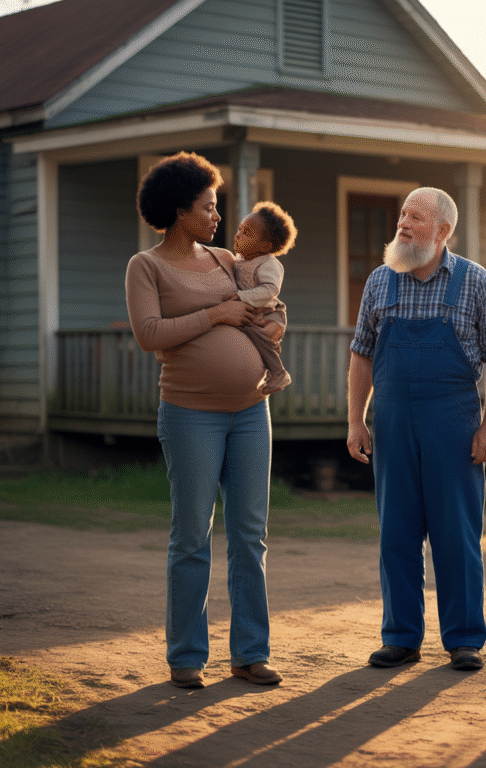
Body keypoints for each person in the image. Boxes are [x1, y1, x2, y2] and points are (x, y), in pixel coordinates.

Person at [126, 151, 284, 689]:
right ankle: (187, 656)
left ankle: (251, 653)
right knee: (192, 535)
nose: (218, 216)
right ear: (178, 211)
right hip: (190, 414)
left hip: (251, 412)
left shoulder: (224, 260)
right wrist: (216, 314)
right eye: (208, 207)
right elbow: (149, 334)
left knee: (250, 535)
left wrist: (275, 323)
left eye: (217, 207)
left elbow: (263, 300)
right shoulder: (146, 266)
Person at [347, 187, 486, 671]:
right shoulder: (380, 281)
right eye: (402, 214)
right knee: (396, 532)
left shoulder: (475, 281)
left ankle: (464, 639)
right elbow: (362, 355)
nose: (403, 222)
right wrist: (356, 419)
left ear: (442, 231)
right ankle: (401, 637)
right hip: (392, 419)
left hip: (453, 419)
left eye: (415, 217)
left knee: (455, 533)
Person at [233, 201, 297, 395]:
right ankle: (270, 371)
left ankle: (279, 373)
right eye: (240, 229)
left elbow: (270, 290)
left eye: (246, 233)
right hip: (256, 311)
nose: (238, 235)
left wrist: (239, 297)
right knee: (255, 335)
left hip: (272, 313)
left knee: (259, 334)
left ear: (265, 246)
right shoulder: (238, 261)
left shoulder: (269, 264)